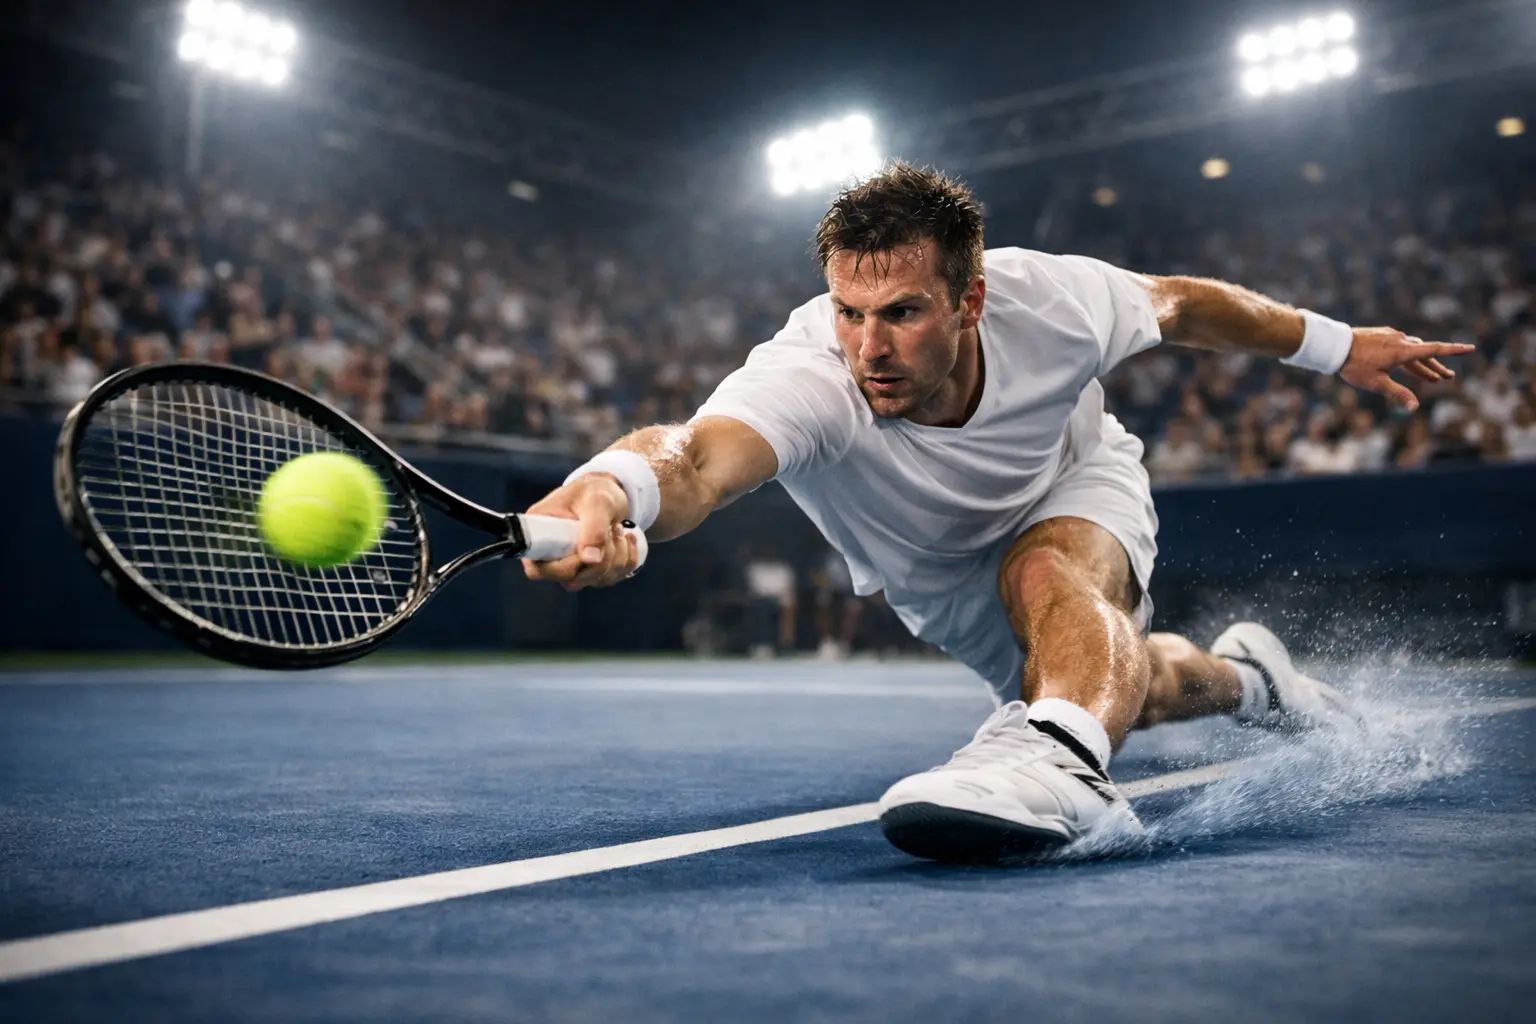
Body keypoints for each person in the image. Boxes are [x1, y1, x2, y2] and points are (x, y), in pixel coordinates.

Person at [519, 164, 1473, 863]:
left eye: (901, 312)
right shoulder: (808, 378)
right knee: (1128, 682)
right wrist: (614, 486)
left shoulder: (1052, 300)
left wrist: (1338, 345)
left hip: (1076, 485)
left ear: (971, 297)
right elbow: (693, 460)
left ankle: (1062, 767)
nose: (868, 347)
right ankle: (1251, 680)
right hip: (941, 582)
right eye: (848, 312)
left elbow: (1180, 306)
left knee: (1051, 584)